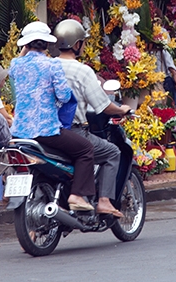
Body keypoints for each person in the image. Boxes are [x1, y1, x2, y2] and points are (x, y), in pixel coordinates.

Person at [9, 21, 96, 212]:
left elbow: (17, 65)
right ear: (47, 44)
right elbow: (64, 96)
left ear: (26, 44)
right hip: (46, 131)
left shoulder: (15, 65)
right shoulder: (52, 64)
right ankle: (77, 195)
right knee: (86, 150)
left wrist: (24, 51)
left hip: (19, 134)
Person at [54, 19, 131, 218]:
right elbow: (103, 106)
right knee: (112, 152)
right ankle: (104, 201)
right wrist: (121, 109)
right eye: (82, 42)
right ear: (77, 44)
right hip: (72, 130)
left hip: (44, 130)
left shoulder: (47, 66)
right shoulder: (82, 70)